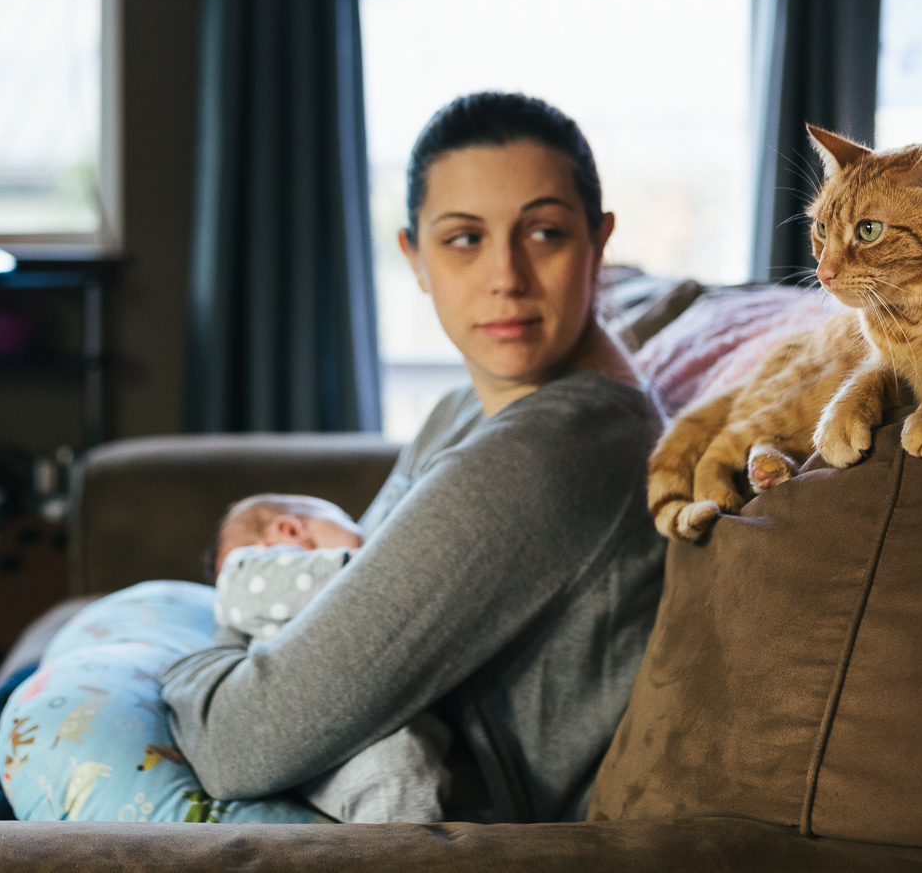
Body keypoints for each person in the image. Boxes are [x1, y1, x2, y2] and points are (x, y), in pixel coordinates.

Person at [163, 91, 666, 823]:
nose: (506, 276)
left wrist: (180, 662)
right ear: (415, 257)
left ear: (598, 242)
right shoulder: (472, 405)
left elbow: (244, 739)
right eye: (464, 238)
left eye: (545, 232)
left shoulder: (550, 452)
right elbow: (330, 599)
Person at [210, 494, 452, 823]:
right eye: (348, 521)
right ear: (291, 530)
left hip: (385, 728)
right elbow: (368, 577)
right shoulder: (247, 570)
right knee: (392, 782)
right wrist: (372, 562)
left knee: (408, 782)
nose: (362, 532)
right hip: (329, 728)